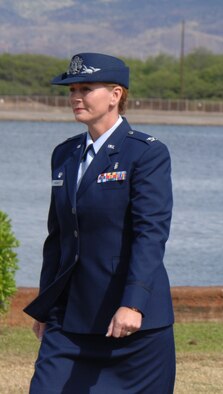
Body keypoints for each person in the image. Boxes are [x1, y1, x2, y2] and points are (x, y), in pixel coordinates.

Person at [23, 53, 176, 393]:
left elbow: (150, 233)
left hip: (131, 322)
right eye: (72, 89)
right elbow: (58, 236)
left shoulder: (146, 153)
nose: (75, 97)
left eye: (86, 88)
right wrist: (46, 306)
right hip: (71, 317)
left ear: (115, 94)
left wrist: (132, 303)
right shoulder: (64, 154)